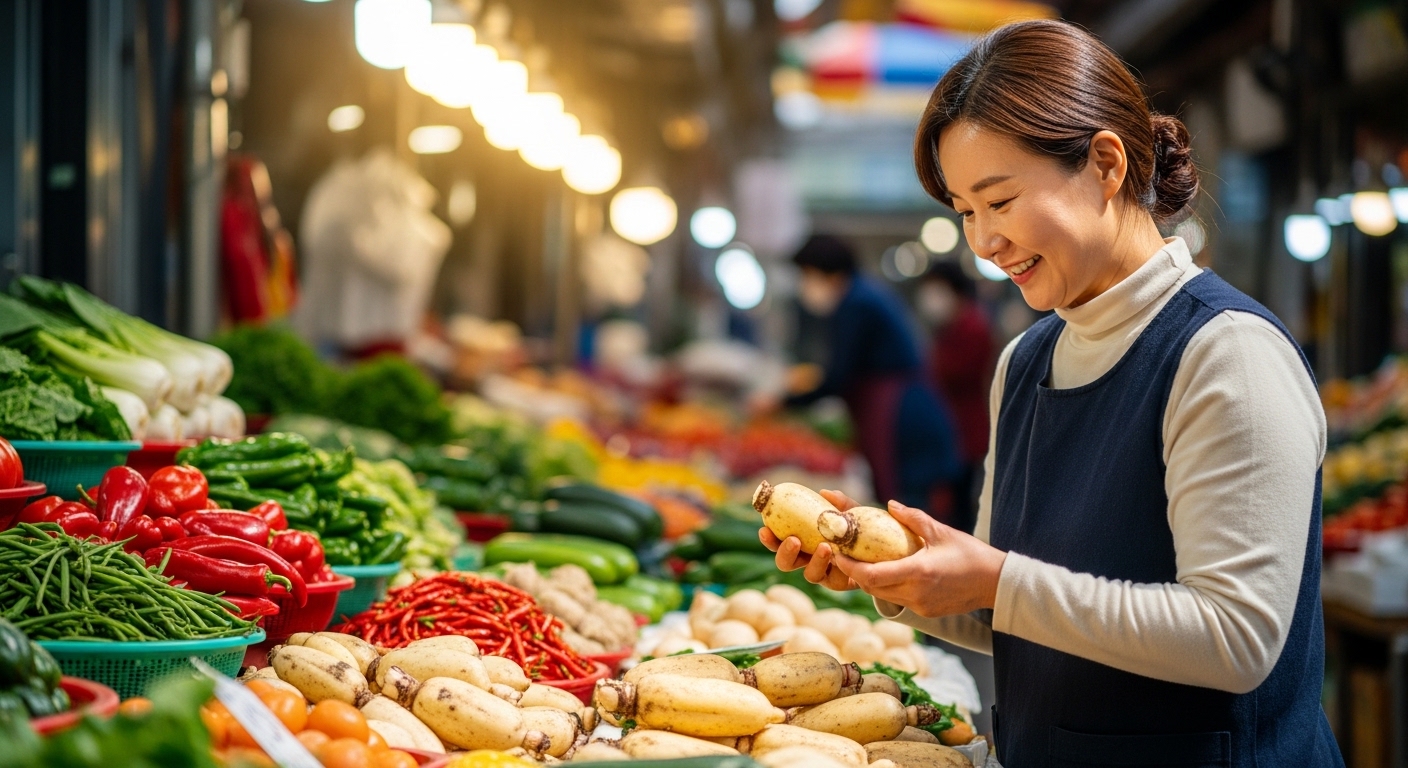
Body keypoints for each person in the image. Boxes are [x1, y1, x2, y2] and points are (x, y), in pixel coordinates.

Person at [763, 20, 1343, 768]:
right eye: (965, 211)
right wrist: (895, 577)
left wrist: (996, 580)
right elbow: (1012, 610)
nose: (983, 242)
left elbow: (1236, 638)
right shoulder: (1025, 361)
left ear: (1105, 164)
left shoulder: (1227, 354)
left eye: (1000, 201)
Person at [770, 234, 961, 513]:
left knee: (911, 506)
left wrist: (783, 402)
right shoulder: (862, 294)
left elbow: (838, 376)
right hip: (901, 406)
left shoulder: (856, 303)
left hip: (900, 413)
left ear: (826, 271)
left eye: (806, 275)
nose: (804, 285)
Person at [916, 260, 995, 532]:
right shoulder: (949, 326)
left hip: (965, 431)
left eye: (937, 289)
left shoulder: (972, 327)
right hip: (952, 427)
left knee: (960, 506)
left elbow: (950, 373)